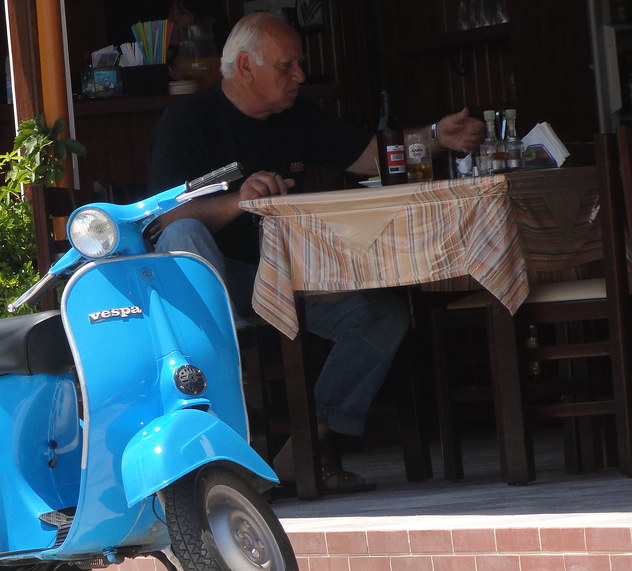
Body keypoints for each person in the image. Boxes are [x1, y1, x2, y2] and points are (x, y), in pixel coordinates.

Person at [146, 11, 484, 494]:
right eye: (287, 66)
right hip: (218, 287)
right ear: (245, 67)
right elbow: (163, 222)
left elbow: (373, 153)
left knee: (381, 317)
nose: (299, 76)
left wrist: (434, 137)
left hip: (290, 275)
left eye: (299, 64)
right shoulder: (188, 119)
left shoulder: (295, 117)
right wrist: (239, 201)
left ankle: (298, 450)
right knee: (183, 238)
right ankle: (221, 368)